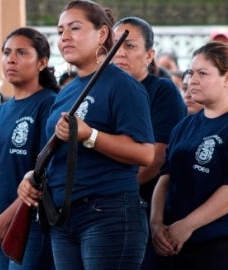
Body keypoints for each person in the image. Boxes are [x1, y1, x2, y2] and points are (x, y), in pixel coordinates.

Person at [17, 1, 155, 269]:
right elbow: (56, 150)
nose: (65, 37)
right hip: (63, 216)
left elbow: (146, 153)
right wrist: (32, 175)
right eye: (60, 32)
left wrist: (90, 134)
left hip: (108, 213)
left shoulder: (122, 85)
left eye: (75, 28)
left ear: (102, 34)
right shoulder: (66, 92)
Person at [150, 41, 228, 270]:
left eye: (202, 73)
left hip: (218, 244)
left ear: (227, 77)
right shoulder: (185, 125)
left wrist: (187, 226)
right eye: (191, 72)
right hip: (171, 243)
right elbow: (166, 176)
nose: (192, 80)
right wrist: (156, 223)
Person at [0, 27, 58, 270]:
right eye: (7, 52)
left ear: (42, 62)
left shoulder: (49, 104)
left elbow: (43, 174)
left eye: (22, 53)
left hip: (29, 222)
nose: (11, 59)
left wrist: (5, 219)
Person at [112, 16, 187, 270]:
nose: (120, 53)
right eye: (114, 45)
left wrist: (107, 196)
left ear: (149, 54)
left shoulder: (162, 91)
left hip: (140, 211)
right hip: (95, 215)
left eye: (130, 46)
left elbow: (156, 158)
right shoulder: (99, 91)